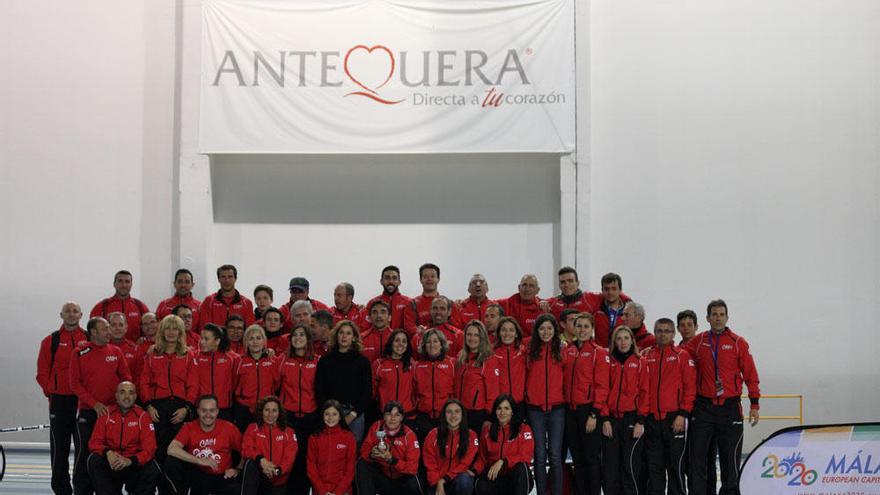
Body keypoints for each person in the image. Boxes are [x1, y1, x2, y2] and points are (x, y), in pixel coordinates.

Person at [684, 300, 761, 495]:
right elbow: (680, 356)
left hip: (730, 408)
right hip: (704, 408)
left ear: (727, 317)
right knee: (698, 459)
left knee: (730, 460)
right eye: (714, 314)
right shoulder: (699, 341)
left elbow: (750, 374)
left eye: (721, 314)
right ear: (708, 318)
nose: (718, 318)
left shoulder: (738, 342)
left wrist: (754, 403)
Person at [69, 316, 133, 495]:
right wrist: (94, 404)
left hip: (112, 414)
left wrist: (121, 401)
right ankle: (81, 491)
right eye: (105, 328)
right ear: (94, 332)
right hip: (88, 413)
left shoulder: (116, 351)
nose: (109, 331)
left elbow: (126, 378)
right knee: (84, 454)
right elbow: (75, 384)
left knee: (110, 454)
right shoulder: (79, 353)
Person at [138, 314, 198, 493]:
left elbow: (193, 384)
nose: (171, 333)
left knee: (179, 453)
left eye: (175, 329)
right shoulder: (152, 353)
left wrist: (186, 408)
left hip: (180, 408)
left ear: (180, 332)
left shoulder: (188, 355)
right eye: (167, 329)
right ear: (162, 331)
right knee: (159, 452)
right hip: (157, 408)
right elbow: (144, 381)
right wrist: (148, 405)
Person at [36, 301, 89, 495]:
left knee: (83, 449)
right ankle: (61, 490)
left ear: (81, 314)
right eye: (67, 311)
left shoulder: (89, 338)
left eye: (75, 311)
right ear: (61, 315)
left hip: (83, 401)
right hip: (60, 402)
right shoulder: (51, 341)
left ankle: (82, 489)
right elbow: (42, 372)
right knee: (60, 450)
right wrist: (52, 392)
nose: (71, 314)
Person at [644, 318, 696, 495]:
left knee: (676, 467)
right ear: (654, 332)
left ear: (673, 334)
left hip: (674, 419)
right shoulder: (646, 356)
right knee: (654, 467)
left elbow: (690, 389)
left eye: (667, 331)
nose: (662, 334)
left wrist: (682, 414)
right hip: (651, 420)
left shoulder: (682, 355)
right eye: (659, 330)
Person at [562, 313, 610, 495]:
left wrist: (594, 414)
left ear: (592, 329)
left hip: (588, 411)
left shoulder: (599, 352)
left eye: (586, 327)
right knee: (578, 459)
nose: (582, 330)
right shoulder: (568, 351)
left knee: (592, 459)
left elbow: (602, 386)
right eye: (579, 326)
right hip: (570, 411)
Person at [86, 381, 159, 495]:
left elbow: (150, 449)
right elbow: (94, 442)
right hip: (112, 462)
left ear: (135, 396)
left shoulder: (143, 417)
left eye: (131, 393)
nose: (126, 397)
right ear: (116, 395)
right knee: (94, 460)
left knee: (152, 467)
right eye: (122, 392)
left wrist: (130, 461)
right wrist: (108, 453)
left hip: (133, 464)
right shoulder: (106, 413)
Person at [600, 326, 649, 495]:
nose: (622, 342)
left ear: (632, 340)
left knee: (630, 468)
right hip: (611, 420)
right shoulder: (608, 361)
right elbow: (603, 390)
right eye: (619, 338)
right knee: (610, 469)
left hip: (631, 419)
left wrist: (640, 421)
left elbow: (645, 393)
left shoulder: (640, 362)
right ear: (614, 342)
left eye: (626, 338)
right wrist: (605, 418)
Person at [166, 395, 243, 495]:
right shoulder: (189, 427)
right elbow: (171, 449)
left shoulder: (229, 428)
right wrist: (200, 460)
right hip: (198, 475)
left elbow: (247, 451)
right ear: (197, 411)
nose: (208, 415)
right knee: (171, 462)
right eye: (204, 410)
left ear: (217, 411)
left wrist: (238, 469)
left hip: (223, 475)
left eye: (212, 410)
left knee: (236, 488)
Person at [524, 314, 566, 495]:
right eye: (542, 328)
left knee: (555, 456)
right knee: (539, 456)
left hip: (557, 409)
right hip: (535, 410)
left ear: (555, 330)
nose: (546, 332)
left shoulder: (563, 350)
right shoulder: (529, 350)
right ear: (536, 331)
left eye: (549, 328)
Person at [275, 324, 320, 495]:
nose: (297, 338)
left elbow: (320, 389)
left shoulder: (317, 361)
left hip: (311, 417)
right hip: (289, 417)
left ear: (308, 339)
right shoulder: (282, 360)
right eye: (294, 335)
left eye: (302, 335)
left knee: (307, 459)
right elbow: (275, 386)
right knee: (290, 459)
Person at [676, 308, 716, 494]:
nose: (686, 329)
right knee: (688, 458)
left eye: (689, 325)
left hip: (704, 408)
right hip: (683, 408)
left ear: (697, 326)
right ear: (678, 328)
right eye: (682, 325)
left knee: (707, 456)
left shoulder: (705, 348)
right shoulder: (676, 351)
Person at [315, 320, 372, 443]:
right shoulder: (325, 361)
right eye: (341, 333)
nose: (344, 336)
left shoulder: (363, 361)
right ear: (336, 335)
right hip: (330, 414)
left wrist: (353, 414)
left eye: (348, 333)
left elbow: (367, 392)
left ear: (354, 338)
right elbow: (319, 389)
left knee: (353, 452)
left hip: (355, 414)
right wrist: (329, 412)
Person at [356, 401, 422, 495]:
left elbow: (413, 468)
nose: (393, 418)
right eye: (389, 414)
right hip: (382, 476)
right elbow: (364, 449)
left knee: (414, 482)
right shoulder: (376, 426)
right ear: (383, 416)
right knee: (361, 463)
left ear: (402, 418)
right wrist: (371, 454)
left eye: (397, 415)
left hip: (401, 478)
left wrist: (392, 460)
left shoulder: (409, 435)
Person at [473, 395, 534, 495]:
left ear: (512, 411)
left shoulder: (523, 429)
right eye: (499, 409)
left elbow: (525, 456)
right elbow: (482, 458)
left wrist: (504, 461)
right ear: (495, 411)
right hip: (496, 478)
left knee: (521, 467)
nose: (502, 413)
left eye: (506, 408)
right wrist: (474, 471)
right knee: (479, 484)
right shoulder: (487, 430)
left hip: (516, 478)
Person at [241, 396, 299, 495]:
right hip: (258, 479)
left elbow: (290, 457)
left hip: (279, 480)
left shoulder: (288, 432)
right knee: (250, 463)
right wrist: (261, 460)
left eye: (274, 410)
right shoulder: (253, 428)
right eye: (267, 410)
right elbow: (246, 449)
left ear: (279, 413)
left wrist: (276, 470)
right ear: (261, 412)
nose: (270, 414)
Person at [423, 399, 479, 495]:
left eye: (457, 412)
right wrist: (437, 483)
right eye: (449, 412)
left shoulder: (471, 435)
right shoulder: (432, 435)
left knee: (465, 480)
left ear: (462, 415)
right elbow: (430, 464)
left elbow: (464, 464)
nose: (453, 415)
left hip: (456, 480)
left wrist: (445, 479)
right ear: (444, 415)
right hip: (436, 481)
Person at [455, 320, 500, 433]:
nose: (472, 338)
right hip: (460, 413)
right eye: (469, 334)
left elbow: (493, 391)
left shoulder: (488, 359)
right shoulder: (461, 357)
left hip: (478, 414)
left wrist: (489, 417)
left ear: (482, 337)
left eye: (476, 335)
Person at [413, 329, 456, 441]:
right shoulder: (417, 366)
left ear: (441, 344)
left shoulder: (452, 364)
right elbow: (413, 390)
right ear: (424, 346)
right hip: (423, 416)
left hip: (445, 416)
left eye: (436, 341)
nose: (432, 345)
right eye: (429, 342)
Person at [307, 400, 357, 495]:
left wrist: (337, 492)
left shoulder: (349, 437)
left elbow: (350, 469)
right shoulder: (314, 437)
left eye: (334, 414)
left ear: (340, 417)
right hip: (320, 491)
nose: (330, 418)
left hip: (343, 491)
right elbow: (311, 467)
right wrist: (323, 491)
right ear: (322, 416)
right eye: (327, 414)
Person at [233, 325, 276, 431]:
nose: (255, 342)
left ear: (264, 341)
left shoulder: (272, 361)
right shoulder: (239, 361)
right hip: (244, 409)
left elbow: (277, 383)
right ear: (246, 342)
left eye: (258, 338)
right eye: (251, 338)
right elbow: (233, 383)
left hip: (266, 409)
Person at [90, 270, 150, 342]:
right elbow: (92, 332)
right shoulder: (102, 306)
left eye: (127, 282)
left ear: (131, 284)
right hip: (108, 351)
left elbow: (150, 329)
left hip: (135, 350)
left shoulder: (140, 306)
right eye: (120, 281)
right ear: (114, 284)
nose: (124, 285)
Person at [373, 329, 417, 425]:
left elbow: (417, 389)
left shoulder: (413, 365)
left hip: (408, 415)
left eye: (404, 341)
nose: (400, 344)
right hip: (385, 415)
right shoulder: (379, 364)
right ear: (391, 343)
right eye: (397, 340)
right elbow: (373, 391)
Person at [196, 323, 239, 421]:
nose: (202, 342)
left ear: (217, 341)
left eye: (206, 339)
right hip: (201, 408)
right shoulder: (195, 357)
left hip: (224, 408)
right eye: (201, 338)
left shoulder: (232, 359)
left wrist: (268, 352)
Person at [198, 264, 255, 330]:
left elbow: (250, 331)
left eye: (230, 277)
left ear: (235, 279)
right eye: (223, 277)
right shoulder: (209, 301)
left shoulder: (246, 303)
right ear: (218, 279)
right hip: (216, 340)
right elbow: (204, 329)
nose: (227, 280)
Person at [492, 316, 527, 421]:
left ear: (516, 333)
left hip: (520, 404)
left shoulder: (524, 351)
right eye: (504, 330)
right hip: (499, 406)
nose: (507, 334)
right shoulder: (491, 352)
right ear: (498, 333)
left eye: (511, 330)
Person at [410, 263, 462, 329]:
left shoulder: (450, 304)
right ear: (420, 280)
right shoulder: (412, 304)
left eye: (432, 276)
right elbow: (410, 329)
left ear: (438, 279)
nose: (429, 279)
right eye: (425, 277)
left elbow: (457, 328)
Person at [365, 265, 414, 332]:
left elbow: (412, 328)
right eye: (387, 278)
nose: (391, 281)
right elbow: (366, 328)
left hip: (401, 341)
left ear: (399, 282)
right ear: (381, 281)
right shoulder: (372, 303)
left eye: (394, 278)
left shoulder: (409, 302)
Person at [592, 273, 631, 347]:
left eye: (614, 288)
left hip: (621, 356)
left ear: (620, 290)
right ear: (602, 290)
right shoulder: (595, 309)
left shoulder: (629, 312)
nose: (610, 292)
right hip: (601, 355)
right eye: (606, 289)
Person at [107, 312, 141, 382]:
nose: (117, 328)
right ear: (108, 327)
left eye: (121, 325)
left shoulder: (135, 349)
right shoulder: (101, 348)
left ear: (126, 327)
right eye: (113, 325)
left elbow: (139, 377)